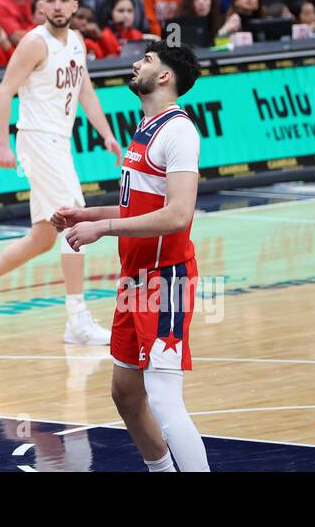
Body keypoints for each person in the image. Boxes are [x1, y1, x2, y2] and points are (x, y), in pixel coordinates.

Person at [52, 41, 210, 472]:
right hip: (134, 278)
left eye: (146, 60)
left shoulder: (178, 131)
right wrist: (86, 214)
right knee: (125, 392)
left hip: (165, 278)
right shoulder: (146, 126)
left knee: (163, 399)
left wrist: (102, 228)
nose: (135, 63)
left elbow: (178, 215)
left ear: (164, 77)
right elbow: (139, 207)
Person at [0, 0, 122, 344]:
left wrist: (106, 134)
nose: (57, 6)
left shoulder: (76, 41)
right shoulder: (33, 43)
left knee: (44, 237)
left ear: (75, 5)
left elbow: (85, 91)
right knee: (75, 219)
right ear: (41, 6)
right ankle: (77, 319)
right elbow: (4, 92)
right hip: (38, 139)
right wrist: (2, 144)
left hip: (59, 140)